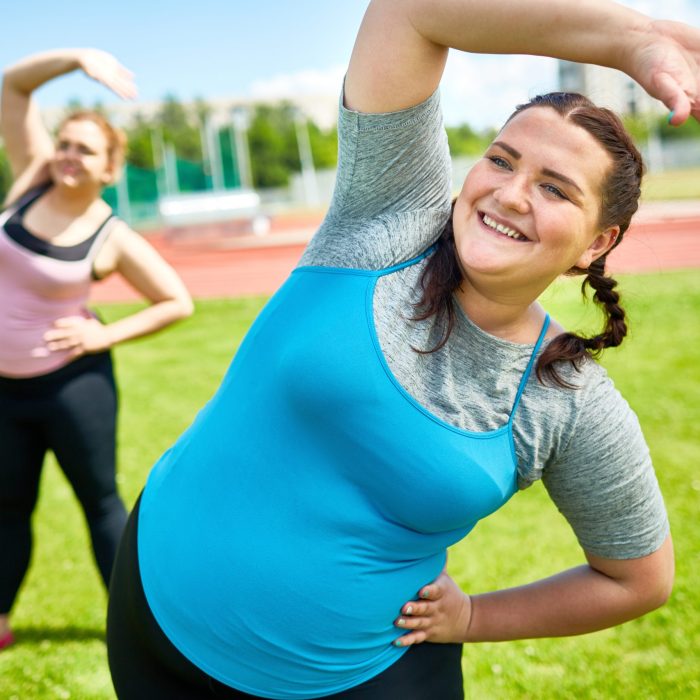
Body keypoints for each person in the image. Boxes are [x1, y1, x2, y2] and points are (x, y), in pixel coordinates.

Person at [107, 1, 699, 698]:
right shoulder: (388, 220)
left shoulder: (565, 397)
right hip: (153, 620)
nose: (509, 195)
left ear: (598, 242)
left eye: (554, 188)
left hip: (354, 679)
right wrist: (634, 40)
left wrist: (474, 615)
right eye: (502, 160)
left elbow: (638, 579)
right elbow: (409, 10)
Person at [0, 49, 193, 651]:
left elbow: (176, 300)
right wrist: (77, 59)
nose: (67, 156)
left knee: (100, 503)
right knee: (6, 507)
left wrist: (101, 334)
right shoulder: (31, 179)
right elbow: (12, 86)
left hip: (71, 386)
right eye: (64, 143)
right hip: (3, 390)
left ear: (110, 168)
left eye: (84, 149)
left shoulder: (113, 235)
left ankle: (134, 630)